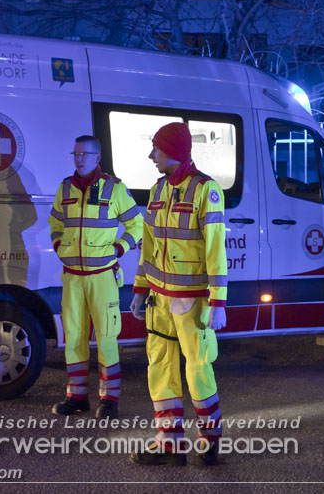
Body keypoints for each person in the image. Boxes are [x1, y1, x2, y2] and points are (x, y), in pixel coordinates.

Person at [128, 122, 227, 466]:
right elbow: (150, 247)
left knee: (198, 369)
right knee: (160, 368)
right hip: (160, 300)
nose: (151, 155)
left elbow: (216, 250)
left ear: (172, 151)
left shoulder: (206, 190)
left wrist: (218, 301)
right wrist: (140, 289)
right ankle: (169, 442)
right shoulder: (157, 190)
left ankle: (209, 440)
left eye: (156, 149)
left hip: (192, 300)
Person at [48, 135, 143, 419]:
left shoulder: (115, 189)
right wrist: (58, 247)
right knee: (74, 338)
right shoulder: (65, 187)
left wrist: (119, 247)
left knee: (106, 338)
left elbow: (136, 224)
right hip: (73, 277)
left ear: (97, 158)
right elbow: (55, 222)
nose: (79, 158)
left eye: (85, 154)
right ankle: (76, 397)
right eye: (76, 153)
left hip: (102, 277)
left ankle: (109, 400)